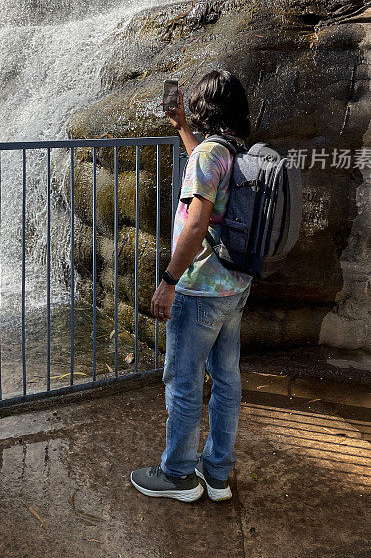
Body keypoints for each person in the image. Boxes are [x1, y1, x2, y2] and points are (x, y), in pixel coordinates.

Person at [130, 69, 253, 503]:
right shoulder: (236, 151)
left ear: (208, 107)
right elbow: (207, 169)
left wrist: (168, 281)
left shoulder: (209, 157)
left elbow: (198, 222)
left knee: (183, 383)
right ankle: (216, 474)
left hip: (200, 289)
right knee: (225, 379)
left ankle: (179, 474)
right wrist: (182, 125)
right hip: (234, 287)